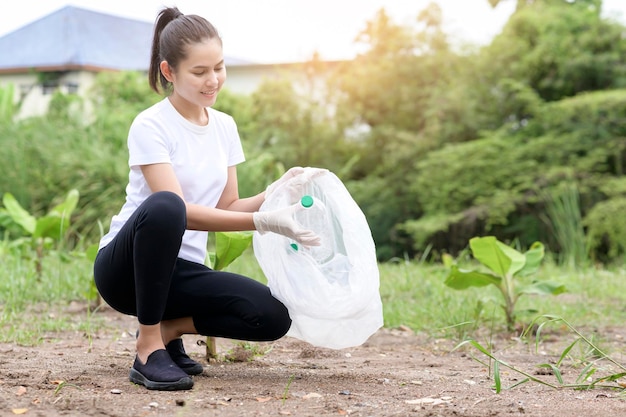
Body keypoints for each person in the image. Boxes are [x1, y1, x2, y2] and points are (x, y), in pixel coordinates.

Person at [93, 6, 323, 391]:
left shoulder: (225, 127)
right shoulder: (150, 125)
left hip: (179, 274)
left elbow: (227, 207)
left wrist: (274, 193)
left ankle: (169, 330)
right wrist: (262, 222)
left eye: (218, 67)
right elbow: (177, 212)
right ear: (169, 72)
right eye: (199, 72)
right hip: (128, 272)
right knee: (167, 206)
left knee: (272, 316)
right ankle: (148, 348)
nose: (212, 80)